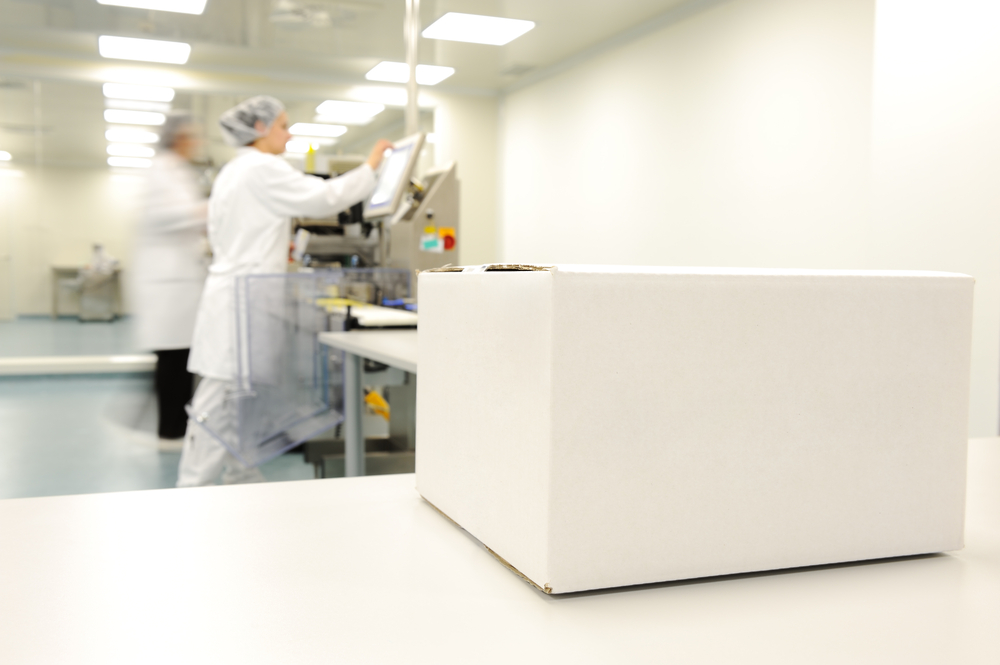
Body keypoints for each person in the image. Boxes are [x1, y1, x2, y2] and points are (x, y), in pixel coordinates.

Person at [177, 95, 392, 487]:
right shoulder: (262, 168)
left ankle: (239, 475)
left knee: (238, 398)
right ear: (260, 128)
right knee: (221, 399)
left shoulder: (235, 170)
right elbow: (325, 198)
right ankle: (192, 488)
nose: (289, 135)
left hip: (236, 295)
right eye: (283, 126)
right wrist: (372, 165)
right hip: (238, 302)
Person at [130, 112, 209, 451]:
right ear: (178, 139)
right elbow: (164, 217)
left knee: (179, 360)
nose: (195, 143)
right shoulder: (163, 170)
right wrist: (207, 210)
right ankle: (171, 431)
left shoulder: (176, 171)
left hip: (177, 278)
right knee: (174, 361)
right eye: (191, 137)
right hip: (168, 281)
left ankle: (175, 426)